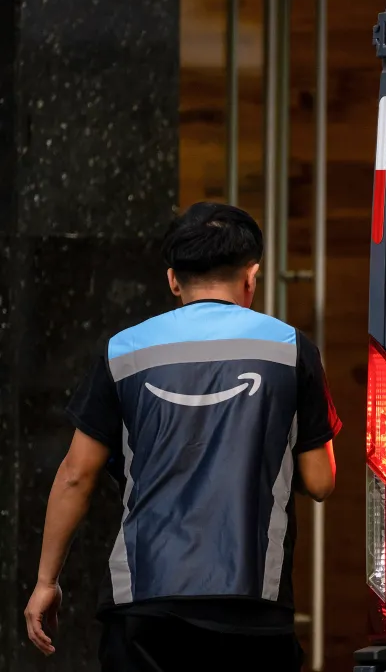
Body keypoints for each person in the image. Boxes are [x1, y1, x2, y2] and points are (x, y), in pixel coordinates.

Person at [23, 202, 341, 671]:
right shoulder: (292, 350)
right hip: (252, 603)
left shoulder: (123, 351)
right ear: (251, 278)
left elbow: (75, 476)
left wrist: (46, 580)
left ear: (173, 280)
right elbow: (321, 481)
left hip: (145, 602)